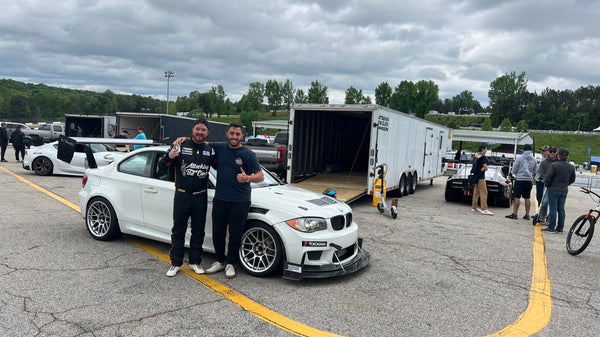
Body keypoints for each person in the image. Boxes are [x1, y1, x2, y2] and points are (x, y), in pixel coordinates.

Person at [205, 122, 264, 278]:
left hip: (240, 201)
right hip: (220, 199)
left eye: (237, 134)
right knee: (218, 232)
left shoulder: (248, 154)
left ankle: (230, 263)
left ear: (242, 136)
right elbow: (201, 142)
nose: (234, 137)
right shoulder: (220, 147)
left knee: (235, 233)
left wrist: (248, 178)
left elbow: (260, 176)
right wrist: (183, 139)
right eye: (232, 133)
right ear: (227, 134)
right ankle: (219, 261)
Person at [159, 120, 214, 277]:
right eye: (197, 129)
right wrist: (169, 156)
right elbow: (161, 165)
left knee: (198, 231)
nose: (200, 132)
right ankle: (176, 263)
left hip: (200, 196)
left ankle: (195, 262)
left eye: (203, 130)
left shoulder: (210, 150)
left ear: (207, 133)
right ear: (192, 130)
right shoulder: (179, 145)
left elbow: (221, 166)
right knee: (178, 230)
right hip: (182, 194)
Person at [542, 148, 576, 233]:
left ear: (558, 155)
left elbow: (548, 178)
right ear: (567, 156)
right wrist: (566, 184)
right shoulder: (571, 167)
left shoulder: (554, 165)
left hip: (553, 189)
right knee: (561, 209)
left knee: (553, 208)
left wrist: (547, 185)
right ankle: (560, 227)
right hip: (564, 189)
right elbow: (573, 179)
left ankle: (551, 227)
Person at [505, 144, 537, 220]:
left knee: (517, 196)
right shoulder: (534, 159)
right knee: (527, 197)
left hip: (520, 179)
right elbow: (535, 171)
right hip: (529, 180)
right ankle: (527, 214)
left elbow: (514, 169)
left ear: (523, 150)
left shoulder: (520, 158)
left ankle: (515, 214)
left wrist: (515, 174)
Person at [533, 146, 557, 223]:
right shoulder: (543, 161)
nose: (542, 152)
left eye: (544, 151)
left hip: (552, 184)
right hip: (542, 181)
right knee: (541, 199)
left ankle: (548, 217)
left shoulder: (557, 161)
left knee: (549, 201)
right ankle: (542, 214)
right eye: (542, 151)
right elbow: (541, 172)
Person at [471, 145, 493, 215]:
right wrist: (484, 169)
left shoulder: (476, 155)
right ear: (483, 149)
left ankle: (474, 206)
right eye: (486, 149)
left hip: (476, 176)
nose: (486, 150)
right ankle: (484, 208)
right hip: (481, 177)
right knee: (484, 192)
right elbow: (485, 167)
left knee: (476, 192)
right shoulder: (483, 157)